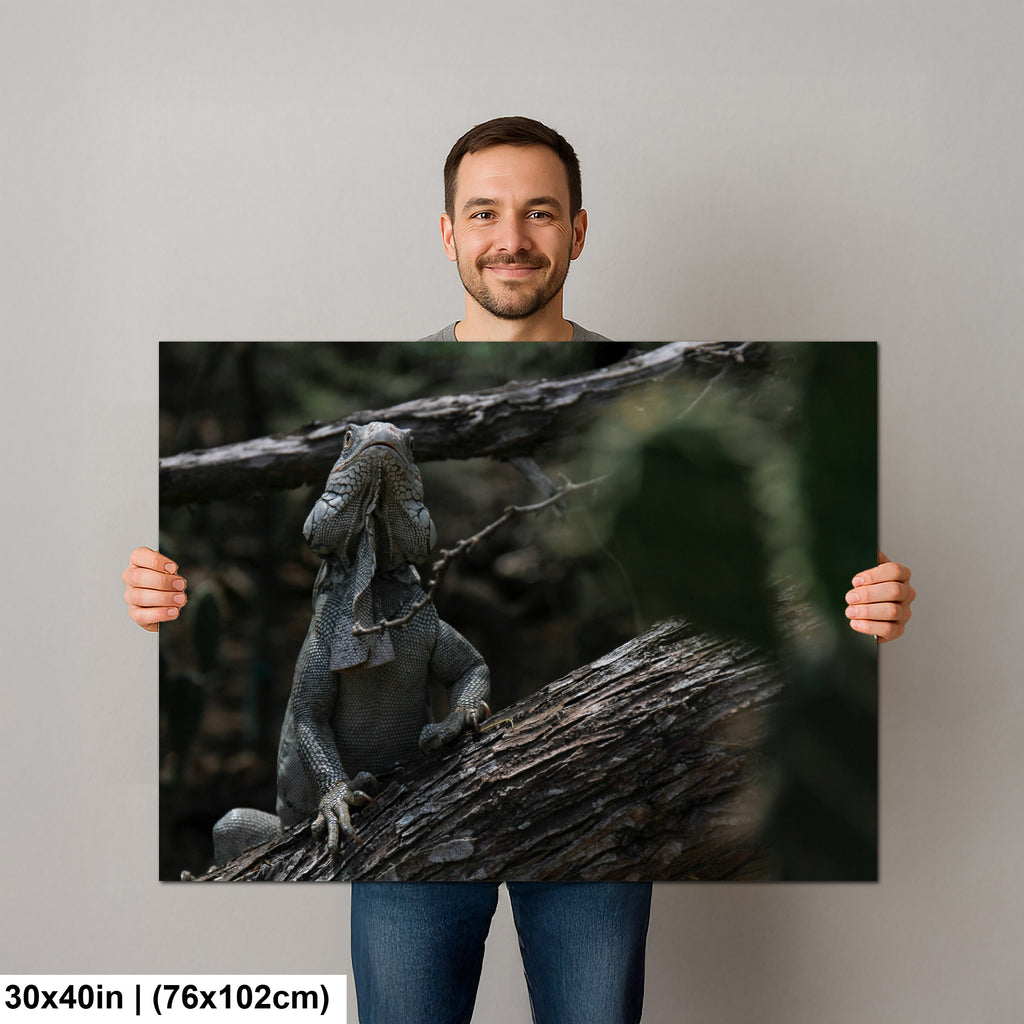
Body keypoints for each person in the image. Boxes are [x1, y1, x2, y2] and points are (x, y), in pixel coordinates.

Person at [123, 117, 916, 1024]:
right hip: (395, 821)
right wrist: (145, 594)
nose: (511, 238)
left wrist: (858, 599)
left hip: (589, 797)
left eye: (540, 213)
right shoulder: (390, 461)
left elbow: (761, 564)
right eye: (485, 212)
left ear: (578, 231)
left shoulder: (649, 400)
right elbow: (305, 704)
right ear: (448, 231)